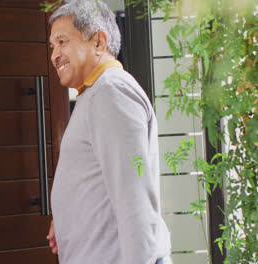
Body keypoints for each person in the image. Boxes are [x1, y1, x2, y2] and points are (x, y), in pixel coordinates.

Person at [45, 1, 172, 263]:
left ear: (99, 43)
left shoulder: (110, 93)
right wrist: (66, 215)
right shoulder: (96, 94)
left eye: (62, 42)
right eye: (52, 46)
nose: (54, 54)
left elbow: (134, 198)